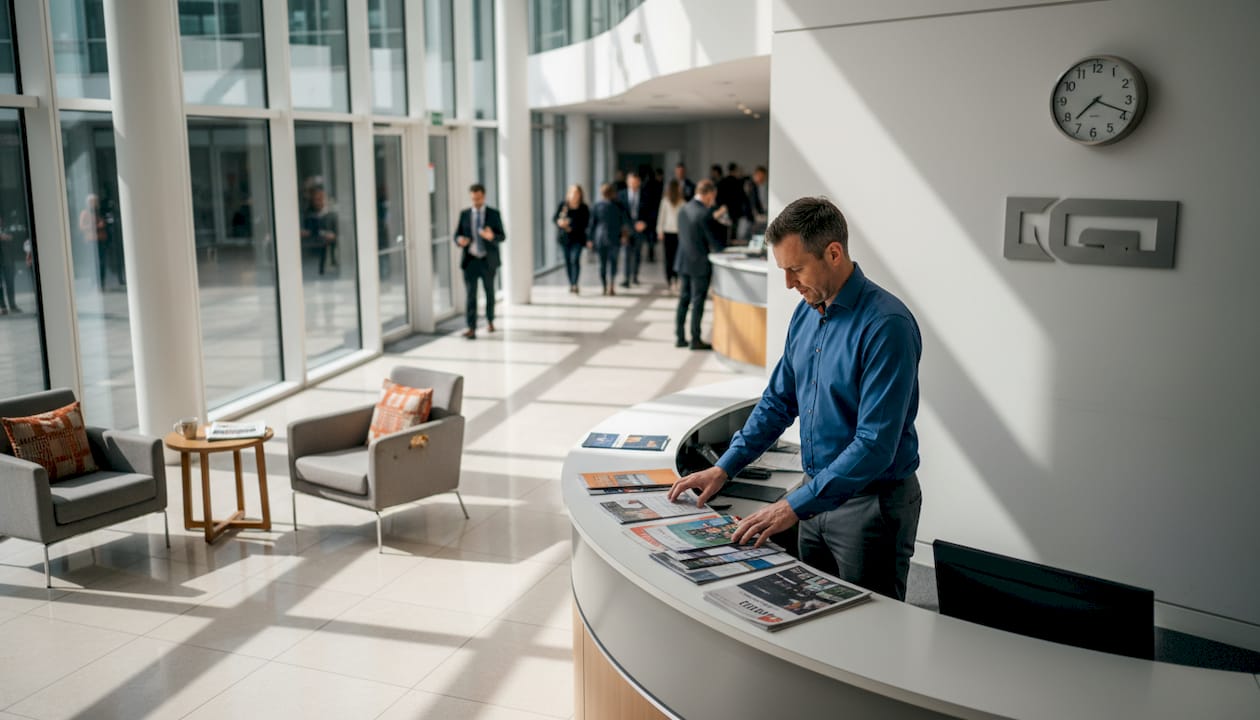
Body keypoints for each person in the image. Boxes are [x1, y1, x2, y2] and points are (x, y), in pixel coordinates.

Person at [669, 196, 923, 601]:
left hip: (871, 507)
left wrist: (792, 506)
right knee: (812, 614)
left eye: (796, 269)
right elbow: (777, 402)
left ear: (834, 253)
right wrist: (725, 468)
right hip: (814, 495)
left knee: (870, 634)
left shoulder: (886, 326)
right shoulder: (806, 312)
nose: (788, 283)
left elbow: (874, 444)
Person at [673, 179, 727, 349]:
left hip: (683, 261)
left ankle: (680, 337)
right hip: (699, 264)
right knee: (697, 301)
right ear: (709, 194)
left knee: (683, 300)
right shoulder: (704, 213)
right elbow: (715, 242)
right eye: (713, 196)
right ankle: (695, 339)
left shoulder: (683, 209)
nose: (713, 199)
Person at [453, 183, 506, 339]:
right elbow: (456, 235)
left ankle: (490, 320)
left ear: (483, 196)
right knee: (471, 295)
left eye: (478, 198)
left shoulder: (493, 214)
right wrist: (459, 240)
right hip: (470, 260)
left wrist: (492, 236)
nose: (476, 202)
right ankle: (471, 327)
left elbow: (502, 236)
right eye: (473, 199)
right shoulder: (464, 214)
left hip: (487, 260)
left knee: (489, 292)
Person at [587, 182, 628, 296]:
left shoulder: (611, 205)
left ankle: (607, 285)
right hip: (609, 237)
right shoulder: (613, 205)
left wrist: (590, 239)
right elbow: (592, 224)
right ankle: (609, 285)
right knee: (609, 263)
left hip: (605, 237)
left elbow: (592, 224)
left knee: (605, 263)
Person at [618, 171, 655, 287]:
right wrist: (627, 226)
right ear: (627, 182)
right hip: (627, 228)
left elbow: (651, 212)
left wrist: (644, 223)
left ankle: (635, 276)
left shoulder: (646, 195)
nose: (633, 184)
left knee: (637, 253)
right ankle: (626, 278)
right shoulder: (621, 195)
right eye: (631, 182)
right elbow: (620, 213)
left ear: (639, 182)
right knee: (627, 253)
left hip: (640, 227)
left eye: (635, 182)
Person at [554, 184, 590, 294]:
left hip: (578, 238)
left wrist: (571, 226)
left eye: (577, 193)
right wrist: (560, 223)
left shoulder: (583, 207)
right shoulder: (563, 205)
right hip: (565, 239)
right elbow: (555, 218)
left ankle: (575, 283)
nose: (574, 195)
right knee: (568, 261)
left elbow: (585, 223)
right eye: (572, 193)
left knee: (575, 259)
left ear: (580, 195)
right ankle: (571, 283)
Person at [656, 178, 685, 292]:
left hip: (679, 233)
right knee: (669, 258)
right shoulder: (665, 201)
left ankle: (676, 278)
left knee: (677, 257)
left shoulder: (682, 202)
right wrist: (660, 230)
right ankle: (670, 280)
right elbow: (661, 216)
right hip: (668, 232)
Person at [78, 194, 109, 289]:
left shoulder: (99, 213)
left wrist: (102, 224)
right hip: (91, 241)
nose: (95, 204)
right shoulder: (85, 213)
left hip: (101, 239)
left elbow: (104, 223)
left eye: (96, 202)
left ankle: (102, 283)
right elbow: (82, 227)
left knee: (102, 262)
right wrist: (95, 226)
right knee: (95, 263)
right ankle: (95, 283)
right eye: (93, 202)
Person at [717, 162, 749, 243]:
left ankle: (726, 244)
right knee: (734, 233)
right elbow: (743, 197)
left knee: (724, 231)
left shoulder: (722, 181)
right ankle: (732, 244)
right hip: (735, 211)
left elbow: (718, 197)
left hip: (723, 210)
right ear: (735, 170)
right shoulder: (738, 182)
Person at [743, 165, 769, 239]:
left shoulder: (765, 185)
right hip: (750, 215)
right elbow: (751, 201)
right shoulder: (750, 185)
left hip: (762, 213)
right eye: (759, 176)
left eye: (763, 176)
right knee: (746, 234)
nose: (761, 178)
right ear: (755, 175)